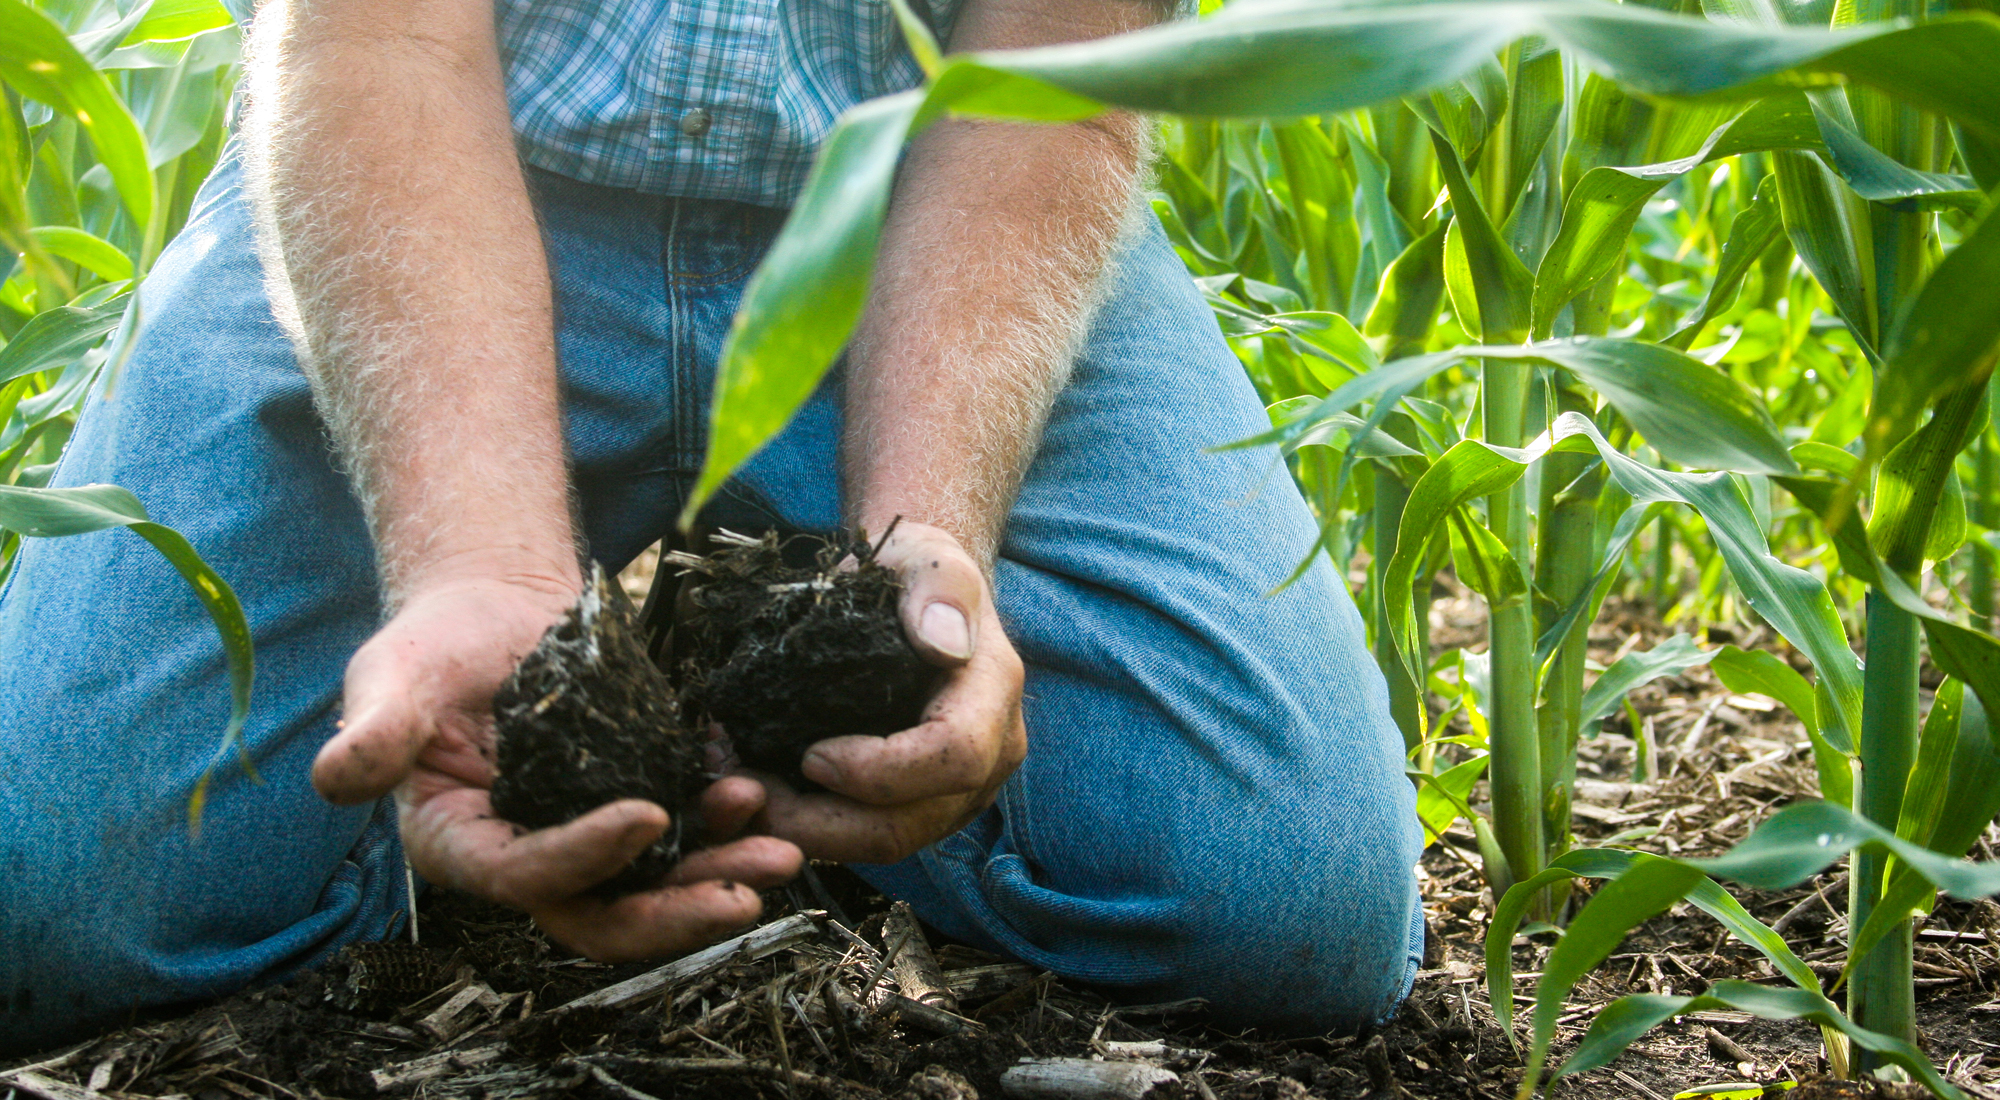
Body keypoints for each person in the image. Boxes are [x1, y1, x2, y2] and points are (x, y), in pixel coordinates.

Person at [0, 0, 1422, 1057]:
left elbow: (1055, 76)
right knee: (48, 913)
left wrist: (919, 551)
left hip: (926, 213)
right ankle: (443, 766)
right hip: (430, 183)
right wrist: (478, 564)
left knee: (1278, 908)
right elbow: (378, 41)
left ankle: (777, 754)